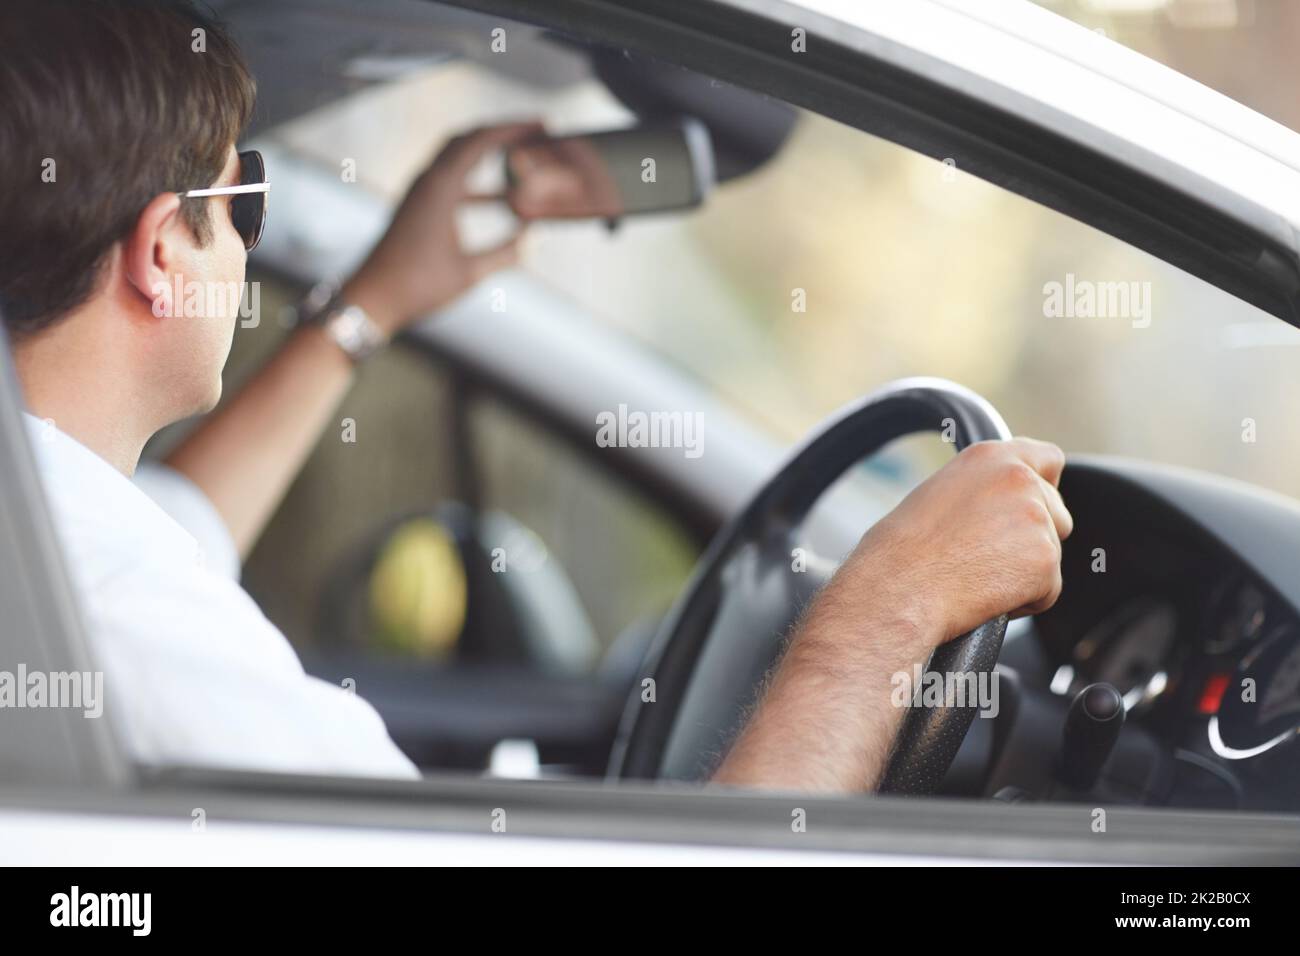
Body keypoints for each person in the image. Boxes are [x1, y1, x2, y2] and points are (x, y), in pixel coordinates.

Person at [0, 0, 1071, 790]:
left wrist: (378, 295)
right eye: (244, 198)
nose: (246, 241)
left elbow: (180, 525)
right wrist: (883, 614)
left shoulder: (54, 534)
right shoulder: (121, 613)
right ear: (158, 254)